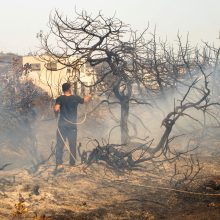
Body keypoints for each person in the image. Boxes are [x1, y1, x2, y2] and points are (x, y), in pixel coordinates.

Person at [54, 82, 91, 169]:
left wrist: (56, 113)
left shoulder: (60, 98)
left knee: (60, 144)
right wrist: (89, 95)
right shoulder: (75, 98)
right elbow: (84, 100)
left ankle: (59, 163)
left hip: (62, 125)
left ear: (63, 89)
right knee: (72, 145)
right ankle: (72, 163)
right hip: (72, 126)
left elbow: (56, 108)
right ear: (69, 88)